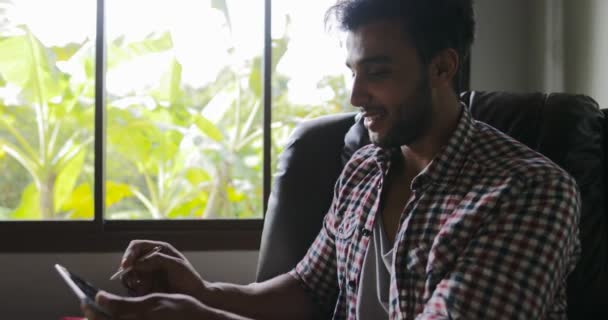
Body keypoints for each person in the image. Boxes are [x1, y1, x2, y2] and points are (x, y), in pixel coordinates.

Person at [83, 0, 581, 319]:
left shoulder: (530, 191)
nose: (356, 96)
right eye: (352, 71)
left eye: (377, 73)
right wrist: (204, 293)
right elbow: (308, 288)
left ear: (442, 67)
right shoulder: (365, 168)